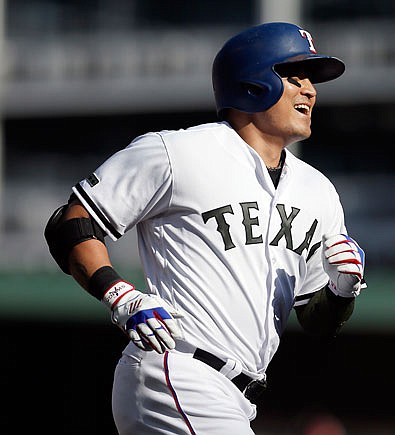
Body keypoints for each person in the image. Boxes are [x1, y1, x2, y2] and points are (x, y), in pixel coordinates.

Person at [44, 22, 366, 434]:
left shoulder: (319, 192)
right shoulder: (179, 152)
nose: (310, 90)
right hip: (177, 369)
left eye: (311, 80)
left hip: (237, 394)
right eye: (295, 76)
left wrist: (341, 290)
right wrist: (118, 293)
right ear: (253, 82)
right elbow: (72, 222)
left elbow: (315, 320)